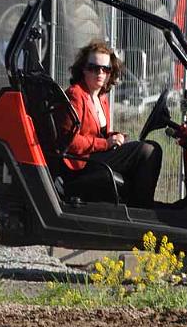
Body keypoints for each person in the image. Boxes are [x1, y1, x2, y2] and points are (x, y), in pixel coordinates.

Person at [63, 40, 162, 208]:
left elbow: (97, 133)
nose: (100, 73)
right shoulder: (75, 95)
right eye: (93, 68)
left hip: (95, 154)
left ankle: (139, 205)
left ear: (111, 72)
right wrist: (106, 143)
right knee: (147, 150)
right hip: (80, 162)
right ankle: (142, 209)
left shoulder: (101, 97)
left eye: (105, 69)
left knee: (151, 147)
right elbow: (70, 141)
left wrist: (113, 136)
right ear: (83, 69)